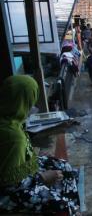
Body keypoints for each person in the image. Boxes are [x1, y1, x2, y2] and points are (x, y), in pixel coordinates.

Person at [0, 75, 80, 215]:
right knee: (61, 206)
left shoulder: (11, 120)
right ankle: (69, 207)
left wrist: (32, 157)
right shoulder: (13, 137)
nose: (33, 106)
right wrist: (43, 177)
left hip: (18, 173)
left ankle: (70, 204)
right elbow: (11, 185)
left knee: (64, 167)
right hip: (7, 194)